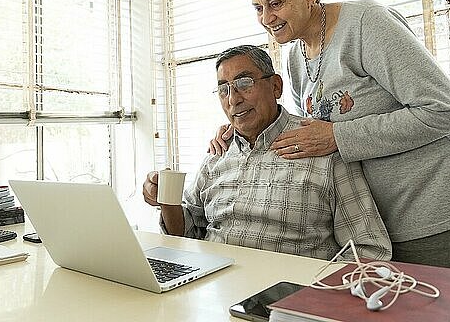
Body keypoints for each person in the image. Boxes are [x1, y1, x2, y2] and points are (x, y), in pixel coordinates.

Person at [208, 0, 450, 268]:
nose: (266, 18)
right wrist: (239, 130)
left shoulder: (366, 25)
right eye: (258, 7)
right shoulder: (295, 59)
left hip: (435, 214)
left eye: (276, 3)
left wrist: (337, 136)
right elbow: (305, 135)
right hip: (375, 225)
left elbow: (445, 109)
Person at [143, 45, 391, 261]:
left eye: (244, 84)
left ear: (275, 86)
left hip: (288, 298)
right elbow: (187, 234)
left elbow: (369, 250)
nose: (233, 100)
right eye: (223, 89)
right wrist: (167, 200)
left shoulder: (319, 145)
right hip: (215, 288)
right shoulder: (218, 152)